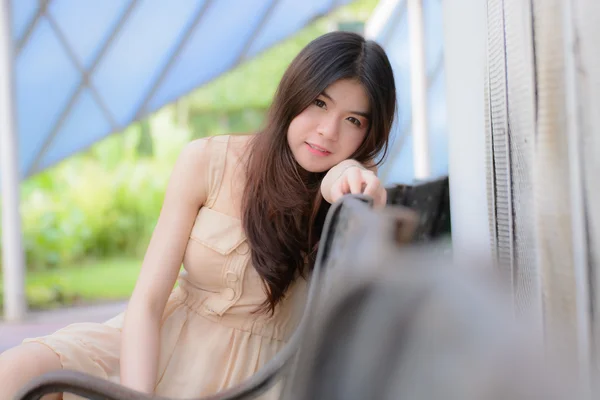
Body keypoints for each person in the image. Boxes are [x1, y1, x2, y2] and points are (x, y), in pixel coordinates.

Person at [0, 31, 396, 399]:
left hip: (248, 378)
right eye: (320, 103)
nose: (328, 131)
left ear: (368, 134)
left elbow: (344, 187)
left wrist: (344, 177)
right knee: (16, 371)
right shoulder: (208, 160)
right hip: (155, 347)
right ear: (295, 93)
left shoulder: (350, 184)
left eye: (353, 120)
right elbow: (148, 301)